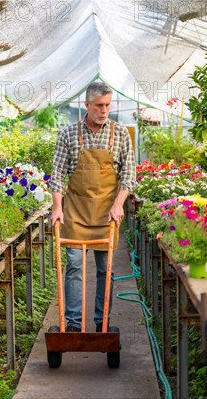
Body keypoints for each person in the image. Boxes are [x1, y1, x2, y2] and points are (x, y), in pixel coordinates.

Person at [50, 81, 136, 332]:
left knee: (105, 270)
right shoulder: (68, 134)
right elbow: (57, 174)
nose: (104, 110)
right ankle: (74, 325)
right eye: (99, 106)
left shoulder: (119, 134)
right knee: (74, 267)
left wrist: (119, 204)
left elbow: (129, 175)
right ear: (86, 105)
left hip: (106, 215)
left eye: (107, 105)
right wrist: (57, 207)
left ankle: (102, 324)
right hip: (75, 213)